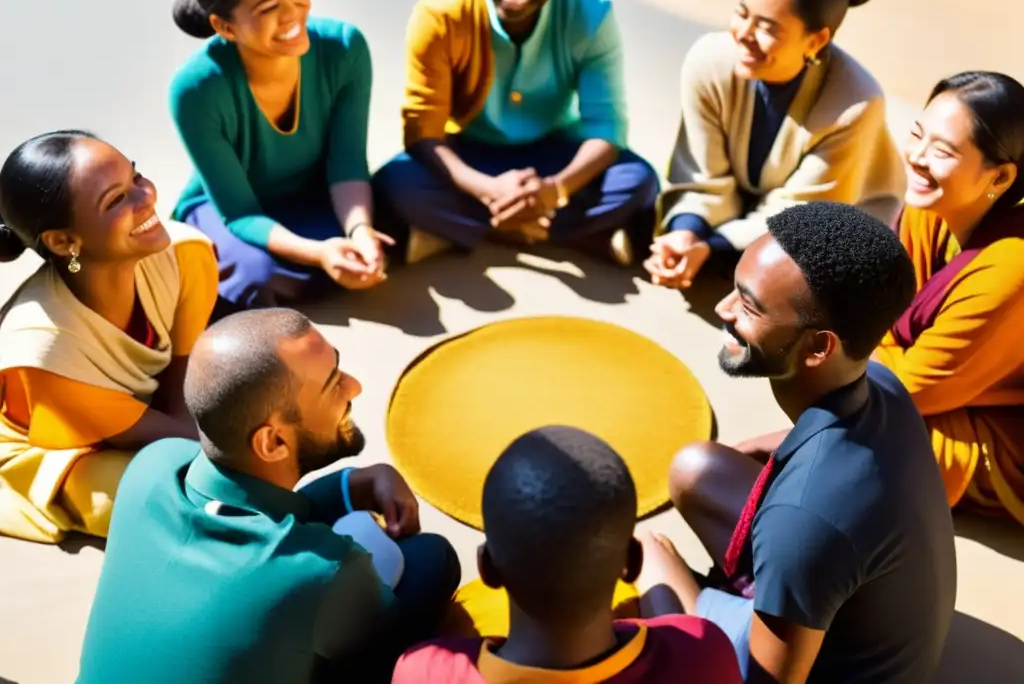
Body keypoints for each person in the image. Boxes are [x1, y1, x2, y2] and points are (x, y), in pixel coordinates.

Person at [642, 202, 956, 682]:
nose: (722, 309)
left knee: (646, 553)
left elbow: (768, 681)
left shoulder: (805, 516)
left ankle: (719, 597)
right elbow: (798, 453)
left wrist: (679, 587)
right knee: (697, 468)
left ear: (818, 347)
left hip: (821, 665)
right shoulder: (880, 383)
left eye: (748, 306)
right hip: (858, 597)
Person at [77, 308, 460, 684]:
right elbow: (376, 637)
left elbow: (261, 512)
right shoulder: (324, 572)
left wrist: (348, 485)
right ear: (273, 441)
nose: (354, 385)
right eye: (333, 383)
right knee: (431, 559)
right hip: (332, 598)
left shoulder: (153, 463)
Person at [372, 0, 660, 266]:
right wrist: (487, 190)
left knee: (637, 180)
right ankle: (552, 232)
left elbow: (607, 127)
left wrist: (554, 191)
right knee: (396, 183)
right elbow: (422, 131)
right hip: (469, 153)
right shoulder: (439, 15)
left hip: (556, 154)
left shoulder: (592, 14)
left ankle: (480, 230)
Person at [393, 426, 742, 683]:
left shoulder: (422, 671)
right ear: (631, 564)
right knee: (659, 545)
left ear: (487, 568)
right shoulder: (703, 653)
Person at [0, 131, 217, 544]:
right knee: (172, 501)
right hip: (52, 451)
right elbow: (182, 436)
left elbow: (179, 387)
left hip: (143, 414)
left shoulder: (187, 255)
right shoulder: (43, 350)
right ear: (64, 242)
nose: (147, 196)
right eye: (116, 199)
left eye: (136, 177)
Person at [647, 0, 904, 289]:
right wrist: (685, 234)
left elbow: (803, 215)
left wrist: (709, 248)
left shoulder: (856, 103)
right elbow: (701, 176)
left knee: (806, 277)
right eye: (742, 12)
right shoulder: (709, 60)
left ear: (816, 40)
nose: (744, 34)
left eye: (767, 28)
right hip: (751, 207)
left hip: (831, 222)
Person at [170, 0, 390, 311]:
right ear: (225, 27)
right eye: (268, 8)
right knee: (257, 274)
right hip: (230, 208)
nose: (293, 13)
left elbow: (348, 163)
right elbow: (239, 212)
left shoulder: (344, 47)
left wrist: (360, 230)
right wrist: (318, 254)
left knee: (391, 213)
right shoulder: (195, 90)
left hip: (310, 192)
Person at [874, 71, 1024, 524]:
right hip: (943, 387)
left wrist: (862, 336)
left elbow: (913, 388)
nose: (916, 158)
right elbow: (877, 304)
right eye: (917, 134)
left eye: (941, 151)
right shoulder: (933, 209)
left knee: (870, 434)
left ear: (998, 176)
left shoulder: (1011, 268)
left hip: (1002, 431)